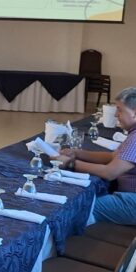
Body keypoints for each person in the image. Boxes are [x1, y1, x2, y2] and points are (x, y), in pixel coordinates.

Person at [55, 87, 136, 225]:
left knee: (80, 207)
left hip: (132, 201)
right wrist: (77, 153)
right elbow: (112, 156)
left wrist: (70, 163)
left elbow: (110, 172)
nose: (116, 114)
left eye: (120, 110)